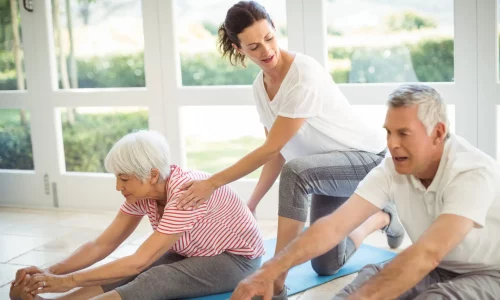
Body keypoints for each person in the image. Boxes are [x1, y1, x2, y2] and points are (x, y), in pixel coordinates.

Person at [176, 1, 405, 298]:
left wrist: (212, 182)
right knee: (326, 264)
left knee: (296, 172)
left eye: (269, 38)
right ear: (238, 48)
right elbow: (277, 151)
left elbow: (272, 150)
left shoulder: (303, 75)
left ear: (275, 28)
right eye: (254, 46)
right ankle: (384, 217)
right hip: (323, 170)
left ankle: (277, 280)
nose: (267, 51)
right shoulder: (260, 87)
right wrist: (252, 203)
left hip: (368, 159)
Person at [230, 84, 500, 300]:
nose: (392, 144)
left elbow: (429, 253)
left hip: (490, 273)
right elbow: (335, 226)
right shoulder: (393, 167)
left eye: (404, 133)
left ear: (438, 133)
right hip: (438, 266)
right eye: (389, 132)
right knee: (367, 280)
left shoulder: (471, 172)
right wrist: (269, 270)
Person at [9, 130, 264, 300]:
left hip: (237, 261)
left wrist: (67, 280)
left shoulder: (184, 195)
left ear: (152, 175)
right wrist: (47, 273)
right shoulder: (144, 194)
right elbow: (102, 244)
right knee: (120, 270)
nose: (118, 187)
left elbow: (139, 261)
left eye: (124, 179)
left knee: (154, 275)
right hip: (193, 252)